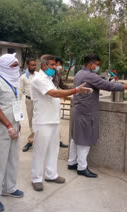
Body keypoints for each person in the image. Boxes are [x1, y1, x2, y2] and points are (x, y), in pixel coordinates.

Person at [68, 53, 127, 178]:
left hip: (78, 110)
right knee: (85, 140)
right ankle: (82, 167)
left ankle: (72, 162)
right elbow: (109, 86)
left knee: (76, 137)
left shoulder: (79, 73)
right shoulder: (89, 75)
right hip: (86, 112)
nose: (97, 67)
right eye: (97, 65)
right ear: (91, 64)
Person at [30, 54, 92, 191]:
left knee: (53, 149)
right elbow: (54, 94)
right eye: (52, 65)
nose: (55, 67)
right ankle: (36, 178)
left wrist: (77, 94)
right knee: (40, 151)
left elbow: (59, 91)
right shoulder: (38, 79)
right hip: (43, 121)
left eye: (55, 65)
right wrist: (76, 90)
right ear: (44, 65)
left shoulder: (48, 78)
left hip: (53, 119)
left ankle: (51, 174)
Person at [0, 53, 24, 212]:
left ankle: (9, 187)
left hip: (13, 127)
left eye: (17, 65)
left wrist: (17, 123)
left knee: (12, 159)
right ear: (5, 66)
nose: (17, 68)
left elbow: (16, 103)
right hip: (0, 130)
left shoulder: (15, 82)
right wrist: (8, 125)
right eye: (14, 65)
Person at [20, 59, 37, 152]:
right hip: (29, 101)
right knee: (31, 121)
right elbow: (20, 90)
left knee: (39, 120)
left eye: (35, 65)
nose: (34, 66)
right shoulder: (23, 77)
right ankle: (30, 141)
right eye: (32, 65)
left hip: (39, 101)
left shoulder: (38, 75)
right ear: (27, 66)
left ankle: (38, 140)